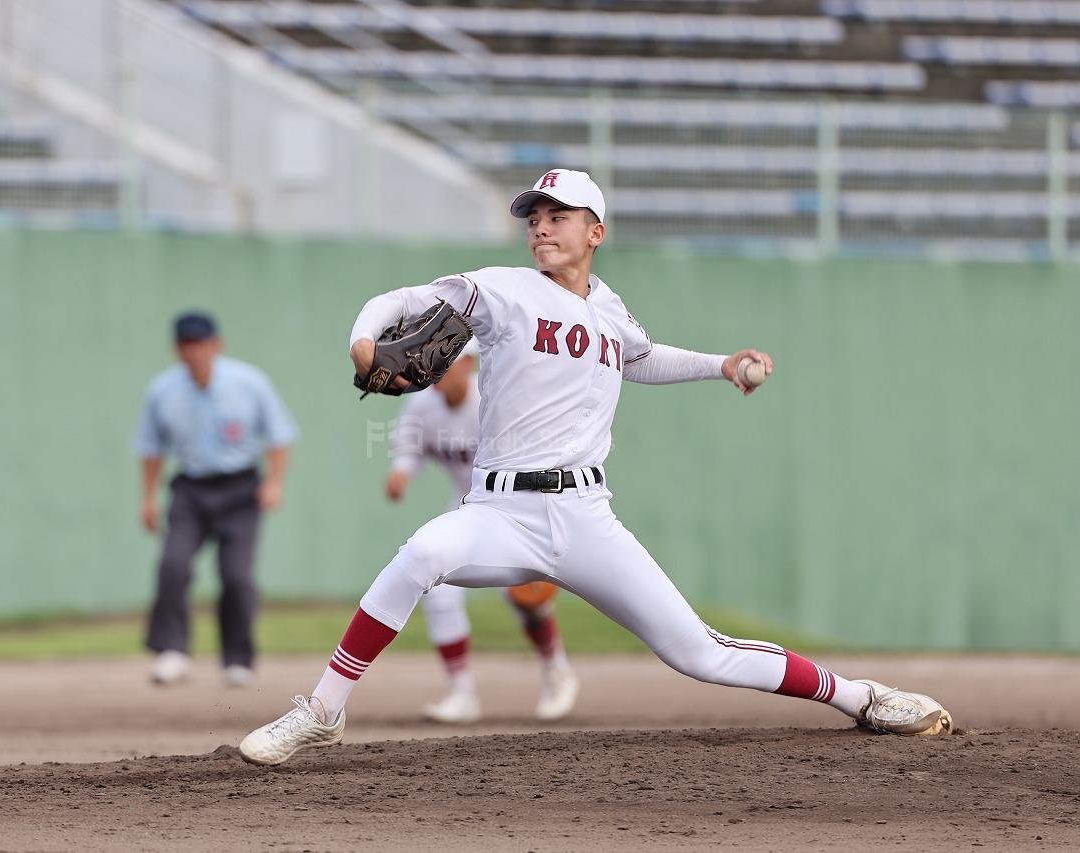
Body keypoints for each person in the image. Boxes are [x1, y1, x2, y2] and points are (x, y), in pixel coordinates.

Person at [239, 169, 952, 766]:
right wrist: (363, 339)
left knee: (700, 652)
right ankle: (324, 710)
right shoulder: (503, 289)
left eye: (559, 215)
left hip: (585, 517)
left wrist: (720, 365)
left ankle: (859, 695)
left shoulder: (609, 309)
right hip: (499, 513)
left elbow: (643, 356)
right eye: (533, 216)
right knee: (423, 551)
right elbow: (402, 300)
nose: (541, 226)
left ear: (595, 233)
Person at [385, 341, 578, 724]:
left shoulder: (494, 401)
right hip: (467, 504)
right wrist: (402, 472)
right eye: (429, 363)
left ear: (469, 363)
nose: (433, 371)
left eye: (444, 362)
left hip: (518, 503)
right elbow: (410, 447)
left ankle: (557, 671)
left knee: (523, 596)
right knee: (436, 586)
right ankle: (462, 693)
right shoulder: (422, 405)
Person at [134, 311, 297, 687]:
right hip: (190, 489)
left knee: (237, 576)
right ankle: (172, 651)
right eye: (187, 344)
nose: (195, 352)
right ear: (177, 349)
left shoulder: (249, 382)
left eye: (201, 343)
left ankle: (237, 660)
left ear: (216, 345)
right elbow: (151, 448)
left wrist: (273, 482)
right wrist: (148, 498)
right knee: (173, 565)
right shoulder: (162, 391)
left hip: (240, 488)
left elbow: (278, 436)